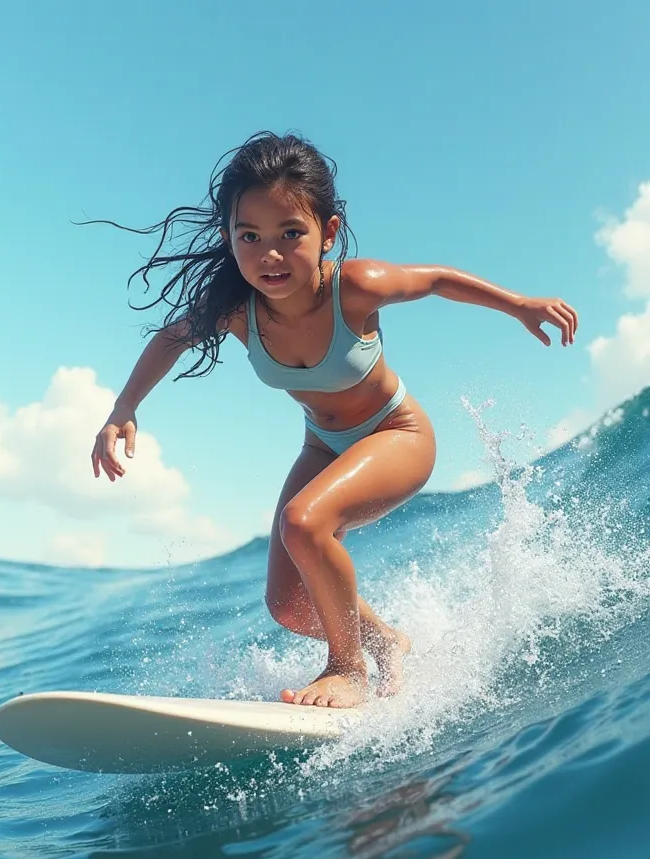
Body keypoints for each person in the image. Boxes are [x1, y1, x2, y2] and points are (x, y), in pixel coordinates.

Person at [90, 132, 577, 709]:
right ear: (230, 238)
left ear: (328, 232)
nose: (269, 254)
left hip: (397, 435)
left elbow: (438, 280)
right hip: (323, 445)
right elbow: (171, 337)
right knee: (290, 604)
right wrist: (124, 408)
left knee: (303, 522)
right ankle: (387, 641)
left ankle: (349, 668)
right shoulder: (235, 311)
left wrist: (519, 304)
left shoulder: (355, 287)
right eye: (250, 236)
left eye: (290, 234)